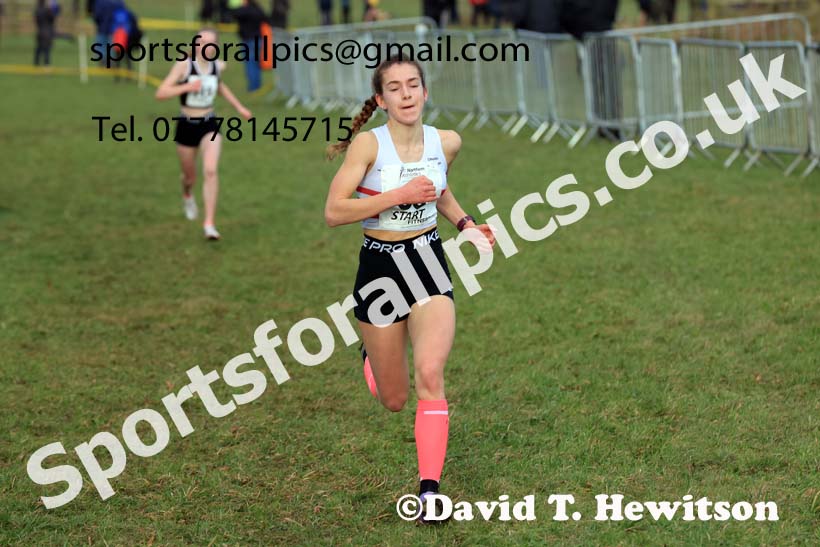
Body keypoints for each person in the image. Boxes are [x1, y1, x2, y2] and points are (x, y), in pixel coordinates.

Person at [323, 56, 497, 523]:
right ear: (381, 100)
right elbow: (335, 211)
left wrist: (466, 224)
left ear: (424, 91)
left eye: (413, 85)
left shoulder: (447, 141)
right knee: (394, 399)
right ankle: (370, 357)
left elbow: (438, 190)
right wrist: (396, 196)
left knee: (431, 374)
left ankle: (429, 493)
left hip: (428, 262)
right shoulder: (368, 146)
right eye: (394, 88)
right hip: (379, 272)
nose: (405, 94)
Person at [154, 29, 253, 240]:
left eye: (211, 43)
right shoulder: (184, 65)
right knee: (190, 176)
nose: (206, 46)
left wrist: (239, 107)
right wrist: (187, 86)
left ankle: (209, 224)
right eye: (202, 42)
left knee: (210, 170)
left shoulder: (218, 65)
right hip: (186, 125)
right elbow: (161, 93)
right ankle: (187, 194)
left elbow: (219, 86)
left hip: (209, 123)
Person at [231, 0, 267, 92]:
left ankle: (253, 87)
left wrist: (236, 5)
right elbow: (266, 18)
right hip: (258, 39)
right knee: (255, 64)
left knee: (250, 64)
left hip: (249, 41)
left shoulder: (245, 11)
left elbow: (234, 14)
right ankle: (257, 85)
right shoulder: (257, 9)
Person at [34, 0, 57, 66]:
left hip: (40, 32)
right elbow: (52, 19)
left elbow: (37, 21)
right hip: (47, 33)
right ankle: (46, 65)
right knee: (47, 51)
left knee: (38, 50)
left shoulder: (37, 10)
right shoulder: (47, 10)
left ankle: (36, 65)